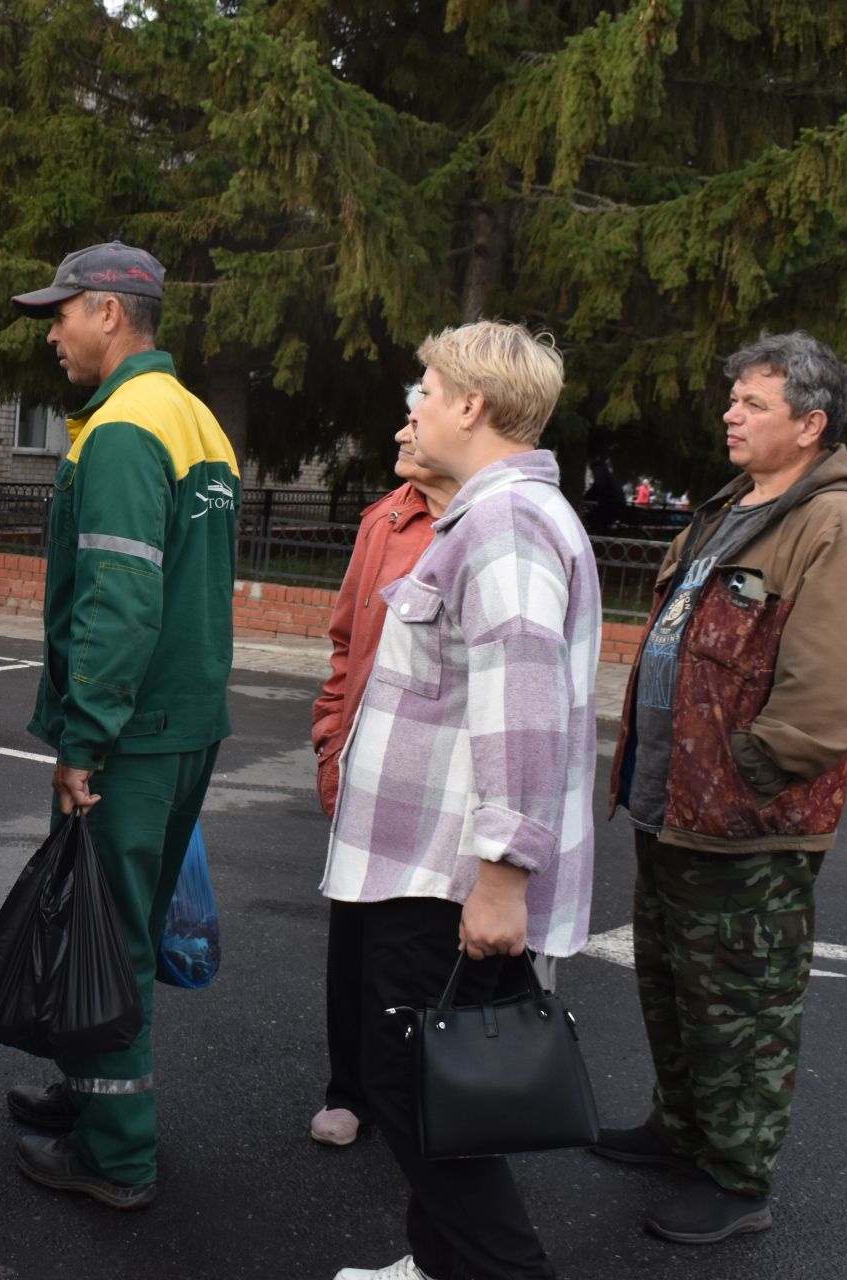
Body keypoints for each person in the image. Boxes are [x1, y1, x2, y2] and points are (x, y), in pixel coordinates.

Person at [601, 332, 847, 1244]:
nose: (731, 412)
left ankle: (737, 1181)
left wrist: (746, 776)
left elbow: (834, 695)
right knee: (672, 983)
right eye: (734, 397)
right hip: (674, 805)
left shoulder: (837, 528)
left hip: (744, 822)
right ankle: (682, 1129)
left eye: (754, 403)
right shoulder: (736, 506)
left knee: (744, 1002)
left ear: (810, 425)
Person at [323, 321, 598, 1280]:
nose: (414, 405)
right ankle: (441, 1265)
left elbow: (522, 714)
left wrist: (500, 877)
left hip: (444, 873)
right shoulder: (489, 516)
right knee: (433, 1088)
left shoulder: (508, 523)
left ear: (473, 407)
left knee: (405, 1081)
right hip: (427, 860)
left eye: (427, 390)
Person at [1, 242, 241, 1210]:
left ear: (110, 311)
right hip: (186, 721)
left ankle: (118, 1155)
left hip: (131, 733)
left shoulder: (124, 429)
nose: (52, 330)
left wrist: (83, 739)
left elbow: (121, 596)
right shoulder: (197, 421)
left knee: (109, 938)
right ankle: (87, 1091)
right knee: (118, 926)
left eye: (61, 310)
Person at [306, 383, 458, 1148]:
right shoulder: (384, 520)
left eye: (414, 416)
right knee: (356, 941)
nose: (401, 429)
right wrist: (330, 738)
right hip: (365, 765)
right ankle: (351, 1088)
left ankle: (436, 1095)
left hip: (436, 782)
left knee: (425, 948)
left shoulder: (474, 529)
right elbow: (344, 645)